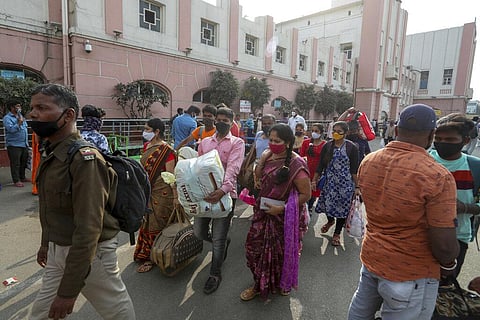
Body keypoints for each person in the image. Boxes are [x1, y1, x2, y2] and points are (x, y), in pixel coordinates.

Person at [28, 84, 135, 320]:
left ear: (68, 115)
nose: (32, 114)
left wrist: (68, 293)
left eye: (41, 107)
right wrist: (47, 243)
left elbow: (89, 228)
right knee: (41, 314)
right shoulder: (53, 152)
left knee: (117, 311)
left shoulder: (84, 159)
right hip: (59, 247)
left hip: (90, 252)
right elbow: (50, 207)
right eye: (32, 108)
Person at [348, 104, 459, 320]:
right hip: (410, 271)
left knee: (359, 312)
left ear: (397, 131)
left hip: (372, 257)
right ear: (431, 135)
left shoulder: (369, 161)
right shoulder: (437, 175)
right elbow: (444, 245)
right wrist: (449, 264)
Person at [241, 123, 310, 301]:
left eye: (276, 140)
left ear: (287, 142)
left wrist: (283, 208)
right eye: (270, 139)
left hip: (283, 218)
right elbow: (258, 177)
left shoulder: (296, 163)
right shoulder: (267, 156)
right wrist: (262, 161)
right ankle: (258, 284)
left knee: (282, 253)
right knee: (254, 249)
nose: (272, 143)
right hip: (262, 212)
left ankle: (282, 282)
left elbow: (306, 194)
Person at [193, 106, 245, 294]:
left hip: (225, 196)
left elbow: (233, 168)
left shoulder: (237, 143)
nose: (221, 122)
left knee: (217, 238)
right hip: (204, 196)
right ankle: (224, 242)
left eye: (226, 120)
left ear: (232, 123)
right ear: (215, 120)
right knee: (199, 232)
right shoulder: (205, 142)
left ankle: (215, 274)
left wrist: (223, 190)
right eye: (219, 119)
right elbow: (196, 167)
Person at [430, 113, 480, 280]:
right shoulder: (424, 161)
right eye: (438, 139)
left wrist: (463, 208)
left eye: (450, 140)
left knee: (445, 291)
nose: (443, 144)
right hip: (421, 235)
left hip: (457, 238)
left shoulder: (475, 166)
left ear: (465, 141)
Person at [134, 118, 178, 273]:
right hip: (147, 190)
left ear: (157, 131)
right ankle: (146, 252)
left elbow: (171, 176)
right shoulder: (147, 146)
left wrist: (175, 197)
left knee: (158, 222)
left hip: (162, 193)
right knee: (146, 221)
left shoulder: (167, 150)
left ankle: (155, 257)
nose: (144, 132)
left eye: (147, 129)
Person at [313, 121, 359, 247]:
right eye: (334, 131)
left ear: (346, 133)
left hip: (345, 185)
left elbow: (355, 169)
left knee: (342, 210)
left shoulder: (351, 148)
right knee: (328, 206)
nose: (336, 133)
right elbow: (321, 165)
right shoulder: (327, 146)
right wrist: (314, 179)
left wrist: (357, 187)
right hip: (330, 183)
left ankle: (337, 233)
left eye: (339, 131)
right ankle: (330, 221)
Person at [299, 123, 326, 212]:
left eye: (316, 131)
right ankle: (303, 207)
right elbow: (301, 156)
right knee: (303, 189)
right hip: (305, 170)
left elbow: (324, 160)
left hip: (317, 171)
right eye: (312, 131)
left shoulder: (324, 145)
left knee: (313, 190)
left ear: (321, 132)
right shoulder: (306, 142)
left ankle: (309, 207)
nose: (314, 133)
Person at [3, 99, 29, 187]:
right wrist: (18, 123)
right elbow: (11, 129)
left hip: (24, 144)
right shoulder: (7, 118)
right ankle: (16, 180)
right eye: (17, 106)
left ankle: (22, 177)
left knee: (23, 162)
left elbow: (25, 128)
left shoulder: (20, 115)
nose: (19, 108)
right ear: (12, 107)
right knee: (15, 163)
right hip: (14, 145)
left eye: (19, 106)